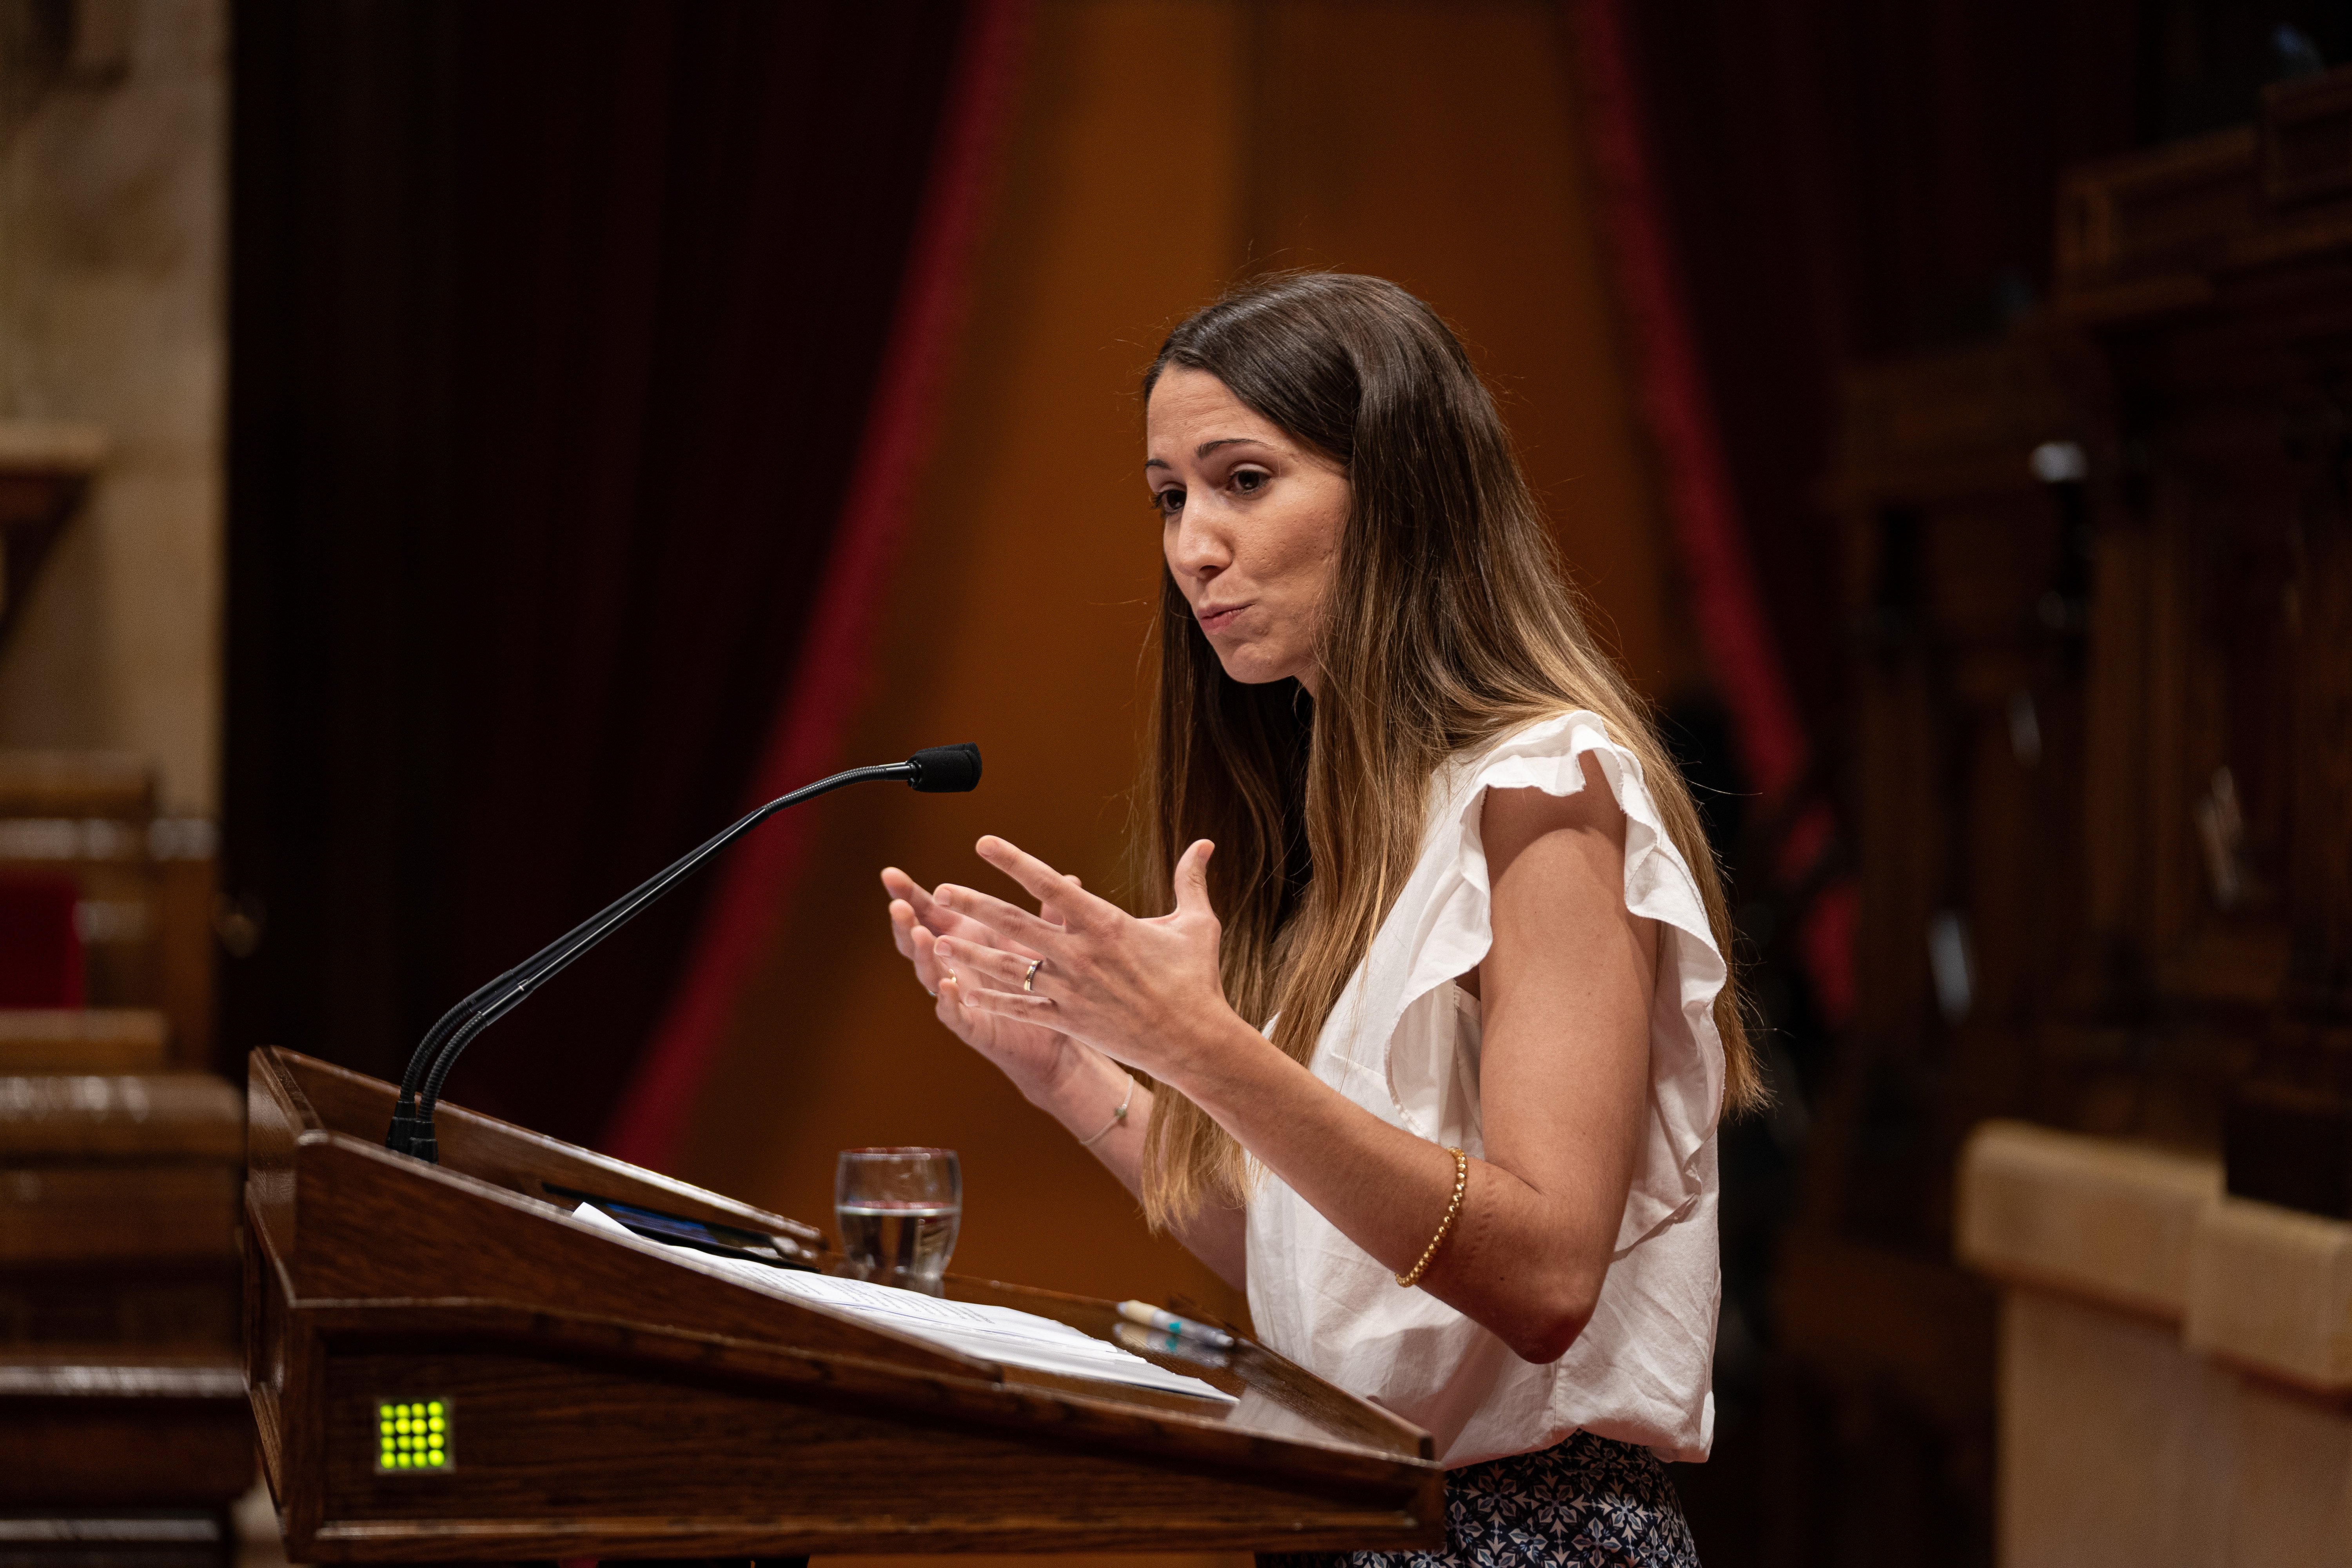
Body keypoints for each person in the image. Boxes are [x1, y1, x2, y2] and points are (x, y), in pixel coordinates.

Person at [879, 272, 1758, 1568]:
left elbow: (1542, 1280)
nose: (1191, 545)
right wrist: (1071, 1068)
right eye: (1170, 497)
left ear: (1399, 489)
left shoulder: (1544, 793)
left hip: (1522, 1535)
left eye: (1243, 480)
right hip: (1353, 1526)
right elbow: (1330, 1267)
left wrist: (1203, 1050)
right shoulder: (1338, 830)